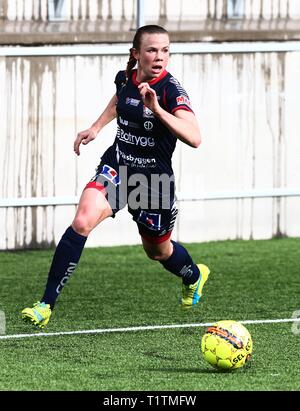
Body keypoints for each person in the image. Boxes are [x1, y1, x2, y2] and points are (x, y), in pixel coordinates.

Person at [21, 25, 210, 329]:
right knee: (82, 220)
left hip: (152, 183)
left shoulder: (171, 91)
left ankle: (194, 275)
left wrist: (158, 110)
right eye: (152, 50)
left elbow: (195, 137)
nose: (159, 57)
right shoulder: (126, 77)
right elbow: (120, 99)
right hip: (118, 167)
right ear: (137, 54)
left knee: (158, 251)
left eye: (165, 50)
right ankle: (45, 305)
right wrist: (96, 127)